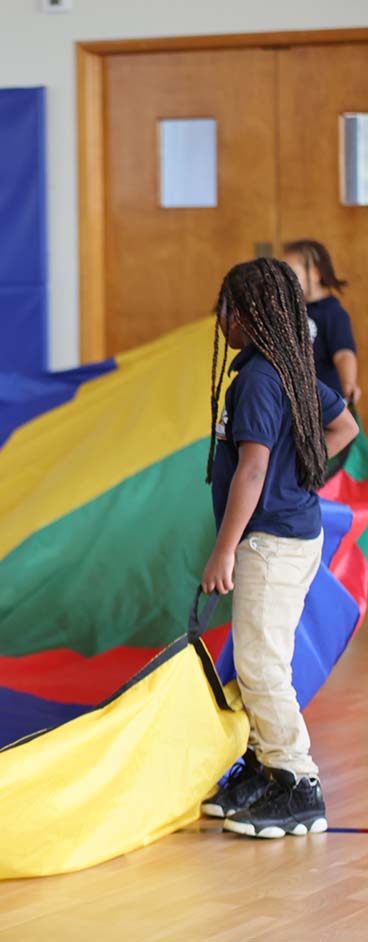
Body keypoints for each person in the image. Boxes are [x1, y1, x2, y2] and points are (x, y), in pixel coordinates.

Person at [199, 258, 357, 838]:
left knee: (262, 664)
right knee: (259, 660)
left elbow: (252, 469)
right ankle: (265, 766)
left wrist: (224, 549)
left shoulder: (262, 378)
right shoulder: (285, 369)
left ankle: (296, 782)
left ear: (248, 315)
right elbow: (345, 426)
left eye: (226, 310)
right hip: (288, 537)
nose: (220, 321)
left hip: (269, 544)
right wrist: (306, 473)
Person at [281, 239, 359, 406]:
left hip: (326, 402)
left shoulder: (333, 313)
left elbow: (344, 353)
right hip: (298, 401)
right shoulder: (290, 310)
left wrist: (349, 383)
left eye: (291, 273)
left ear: (316, 274)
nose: (284, 280)